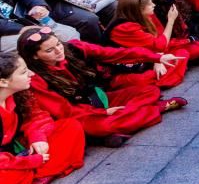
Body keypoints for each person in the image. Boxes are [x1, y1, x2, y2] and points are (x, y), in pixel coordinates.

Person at [18, 26, 185, 148]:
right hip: (81, 114)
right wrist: (102, 113)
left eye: (58, 45)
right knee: (104, 125)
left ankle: (122, 123)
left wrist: (155, 57)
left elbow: (115, 54)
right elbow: (64, 111)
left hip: (100, 98)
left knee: (150, 91)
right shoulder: (34, 79)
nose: (58, 51)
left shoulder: (75, 47)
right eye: (49, 50)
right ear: (34, 56)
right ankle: (157, 109)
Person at [0, 50, 85, 184]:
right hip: (6, 162)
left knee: (70, 127)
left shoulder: (19, 94)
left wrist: (37, 137)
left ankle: (33, 181)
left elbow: (37, 117)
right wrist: (27, 162)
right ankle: (30, 179)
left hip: (19, 152)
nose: (31, 74)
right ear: (3, 82)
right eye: (24, 72)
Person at [105, 0, 199, 82]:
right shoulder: (124, 28)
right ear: (139, 9)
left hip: (149, 54)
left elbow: (159, 37)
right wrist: (171, 21)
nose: (154, 5)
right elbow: (160, 44)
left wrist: (158, 57)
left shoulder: (144, 15)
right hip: (127, 67)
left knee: (188, 50)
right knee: (180, 56)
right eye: (150, 4)